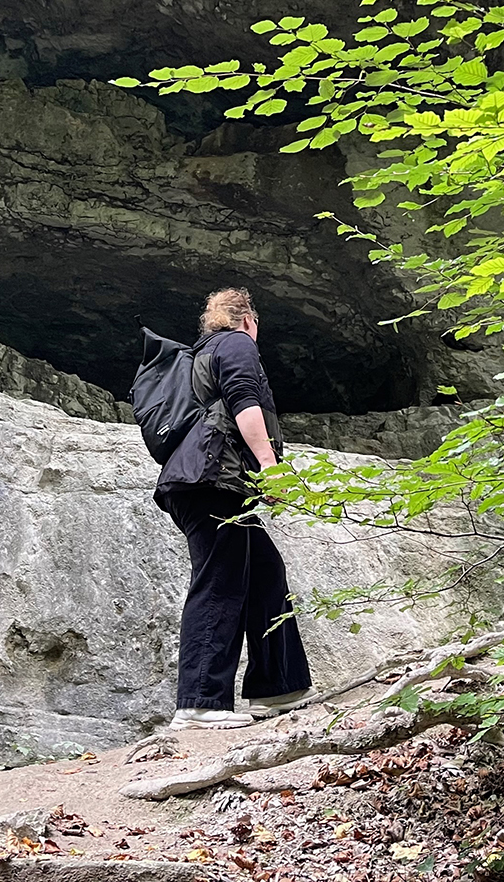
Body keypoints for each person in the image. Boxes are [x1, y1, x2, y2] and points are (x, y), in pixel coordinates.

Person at [153, 287, 313, 729]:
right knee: (219, 581)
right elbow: (245, 401)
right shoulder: (236, 343)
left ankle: (277, 688)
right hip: (209, 481)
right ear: (247, 320)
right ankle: (201, 702)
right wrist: (269, 465)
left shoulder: (201, 354)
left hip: (201, 481)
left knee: (264, 571)